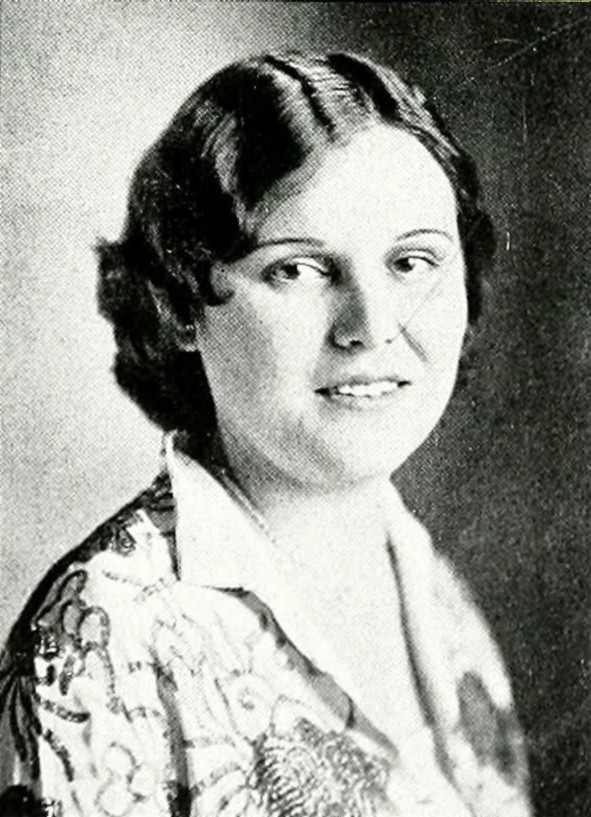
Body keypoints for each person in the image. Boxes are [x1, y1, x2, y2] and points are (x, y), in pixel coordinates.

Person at [0, 52, 531, 816]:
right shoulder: (103, 636)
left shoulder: (436, 594)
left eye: (412, 262)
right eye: (296, 270)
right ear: (182, 305)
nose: (372, 325)